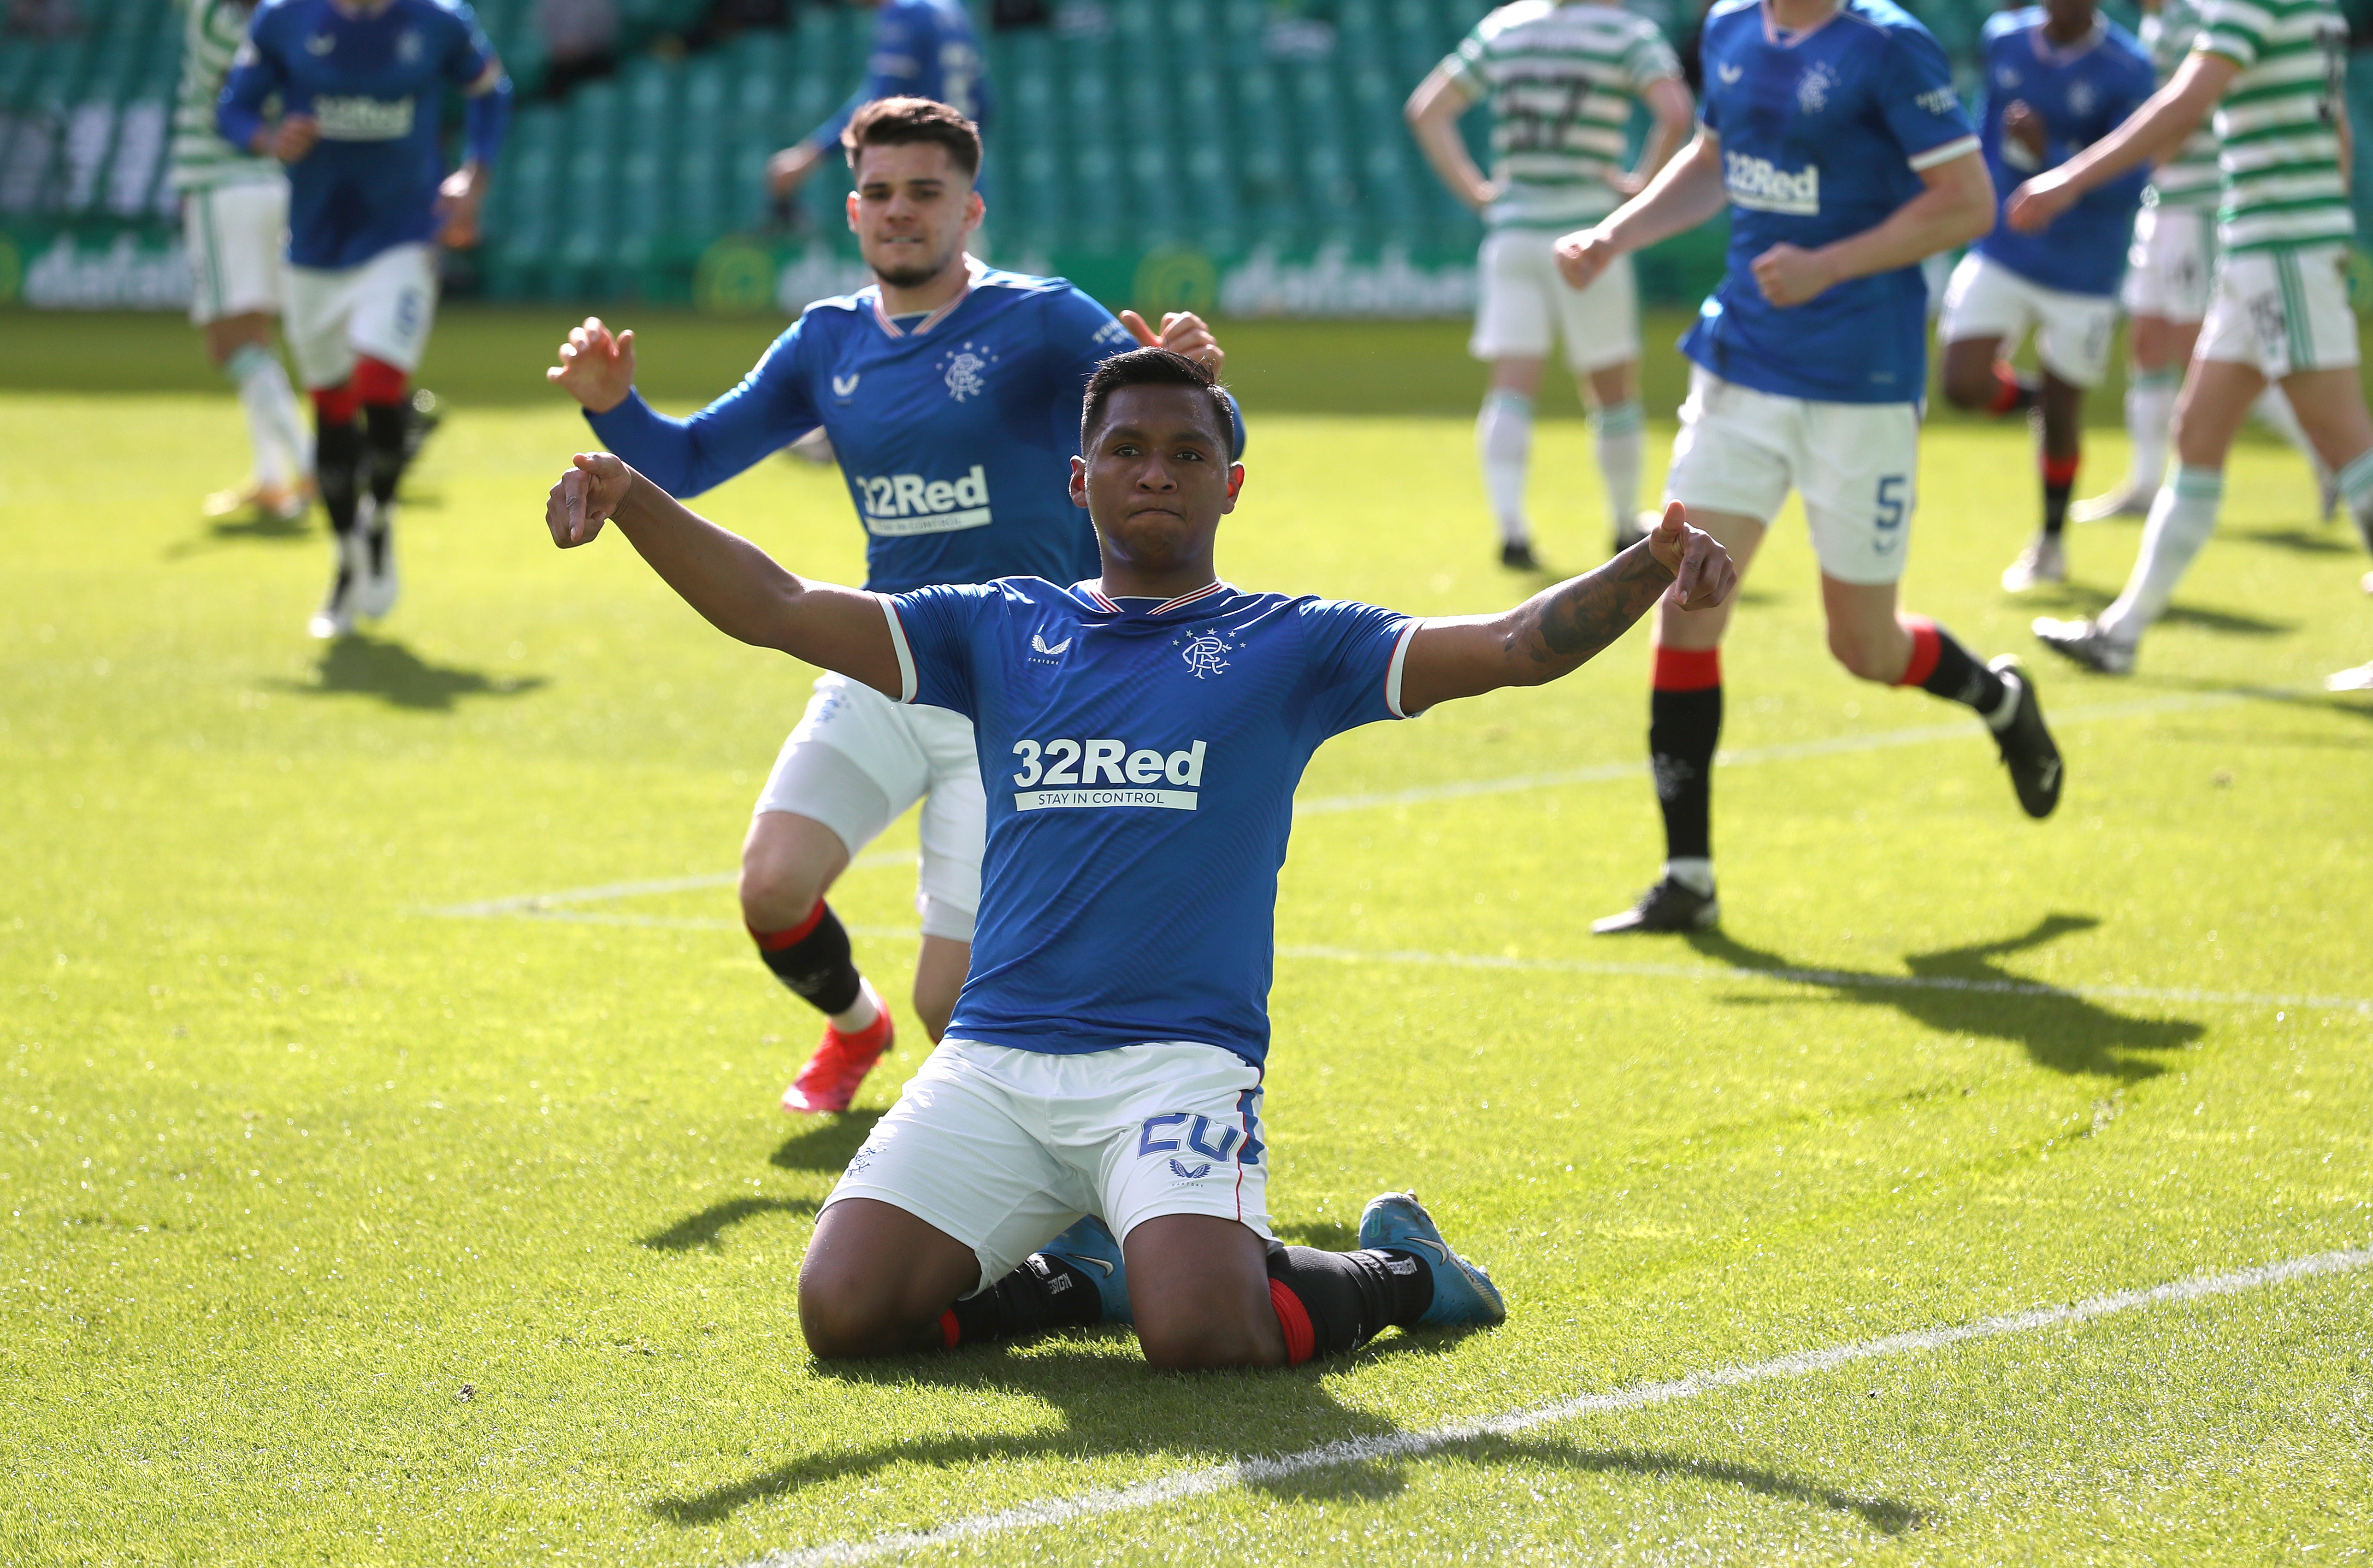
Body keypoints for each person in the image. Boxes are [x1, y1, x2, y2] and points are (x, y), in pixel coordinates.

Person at [537, 346, 1740, 1367]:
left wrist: (1649, 565)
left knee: (1204, 1336)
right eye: (1125, 451)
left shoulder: (1298, 644)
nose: (1154, 470)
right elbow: (779, 605)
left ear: (1230, 488)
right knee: (842, 1314)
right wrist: (635, 494)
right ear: (1079, 478)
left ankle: (1403, 1272)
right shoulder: (997, 624)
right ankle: (1074, 1284)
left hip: (1172, 1068)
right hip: (995, 1062)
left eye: (1184, 453)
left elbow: (1517, 642)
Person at [548, 99, 1232, 1117]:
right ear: (853, 208)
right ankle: (851, 1028)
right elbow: (687, 463)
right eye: (878, 192)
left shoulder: (1041, 318)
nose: (898, 211)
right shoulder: (825, 341)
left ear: (971, 210)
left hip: (1018, 683)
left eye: (926, 193)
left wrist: (1199, 379)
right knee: (772, 887)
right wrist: (613, 407)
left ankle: (1095, 1147)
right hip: (882, 650)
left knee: (949, 1002)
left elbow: (1200, 435)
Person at [1554, 0, 2068, 936]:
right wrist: (1616, 234)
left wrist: (1832, 265)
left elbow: (1969, 202)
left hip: (1861, 386)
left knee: (1863, 648)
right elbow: (1714, 163)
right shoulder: (1729, 28)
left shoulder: (1887, 44)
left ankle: (1999, 701)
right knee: (1687, 602)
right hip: (1739, 368)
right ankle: (1689, 875)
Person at [2008, 0, 2373, 685]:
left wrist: (2068, 179)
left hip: (2281, 242)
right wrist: (2335, 220)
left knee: (2348, 444)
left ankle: (2122, 632)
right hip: (2264, 241)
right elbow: (2340, 128)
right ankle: (2122, 634)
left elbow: (2186, 104)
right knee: (2198, 431)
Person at [218, 0, 510, 640]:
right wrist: (266, 138)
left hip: (404, 237)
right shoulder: (282, 19)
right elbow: (234, 108)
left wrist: (474, 175)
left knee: (378, 380)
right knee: (331, 407)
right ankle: (349, 557)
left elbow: (491, 90)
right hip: (314, 249)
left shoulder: (439, 20)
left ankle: (380, 515)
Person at [1405, 0, 1694, 570]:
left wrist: (1478, 191)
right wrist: (1639, 188)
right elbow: (1676, 111)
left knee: (1511, 387)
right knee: (1611, 387)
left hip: (1513, 233)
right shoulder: (1625, 32)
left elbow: (1427, 110)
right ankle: (1621, 523)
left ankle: (1512, 530)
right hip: (1589, 236)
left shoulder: (1507, 26)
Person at [2070, 0, 2330, 526]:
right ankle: (2144, 485)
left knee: (2205, 358)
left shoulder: (2196, 18)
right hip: (2161, 203)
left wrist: (2135, 160)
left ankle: (2327, 452)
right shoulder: (2157, 20)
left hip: (2199, 205)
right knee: (2146, 341)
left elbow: (2196, 104)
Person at [1934, 0, 2152, 592]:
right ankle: (2036, 398)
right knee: (1961, 383)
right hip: (2005, 244)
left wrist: (2050, 154)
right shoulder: (2004, 38)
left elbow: (2130, 181)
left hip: (2084, 265)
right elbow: (1986, 131)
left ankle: (2051, 544)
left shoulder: (2129, 68)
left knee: (2064, 417)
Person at [175, 0, 314, 529]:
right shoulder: (286, 21)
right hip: (272, 182)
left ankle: (308, 462)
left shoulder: (213, 14)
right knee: (258, 338)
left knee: (229, 344)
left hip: (220, 183)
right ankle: (273, 478)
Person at [764, 0, 988, 208]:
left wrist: (809, 155)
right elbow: (985, 103)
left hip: (924, 181)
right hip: (961, 175)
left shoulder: (905, 12)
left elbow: (880, 100)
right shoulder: (951, 9)